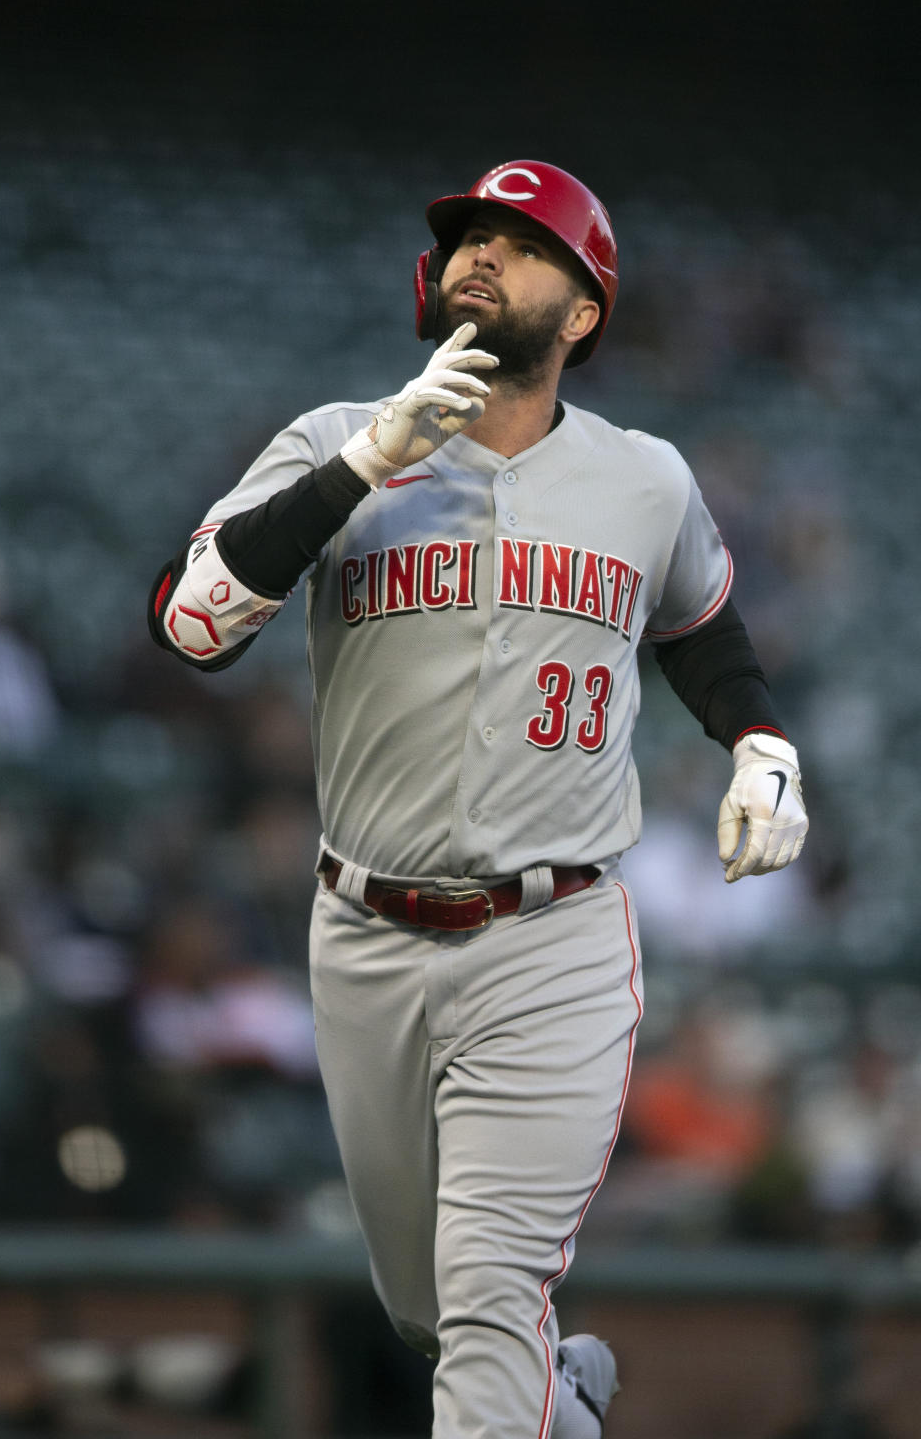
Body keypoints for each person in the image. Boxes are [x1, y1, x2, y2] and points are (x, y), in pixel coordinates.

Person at [148, 160, 808, 1438]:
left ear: (582, 313)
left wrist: (762, 742)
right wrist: (363, 463)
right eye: (467, 237)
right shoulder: (331, 440)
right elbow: (190, 627)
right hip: (365, 934)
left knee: (491, 1293)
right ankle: (558, 1408)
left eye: (521, 242)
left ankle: (526, 1387)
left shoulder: (645, 479)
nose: (481, 257)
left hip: (549, 938)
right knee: (432, 1310)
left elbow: (702, 629)